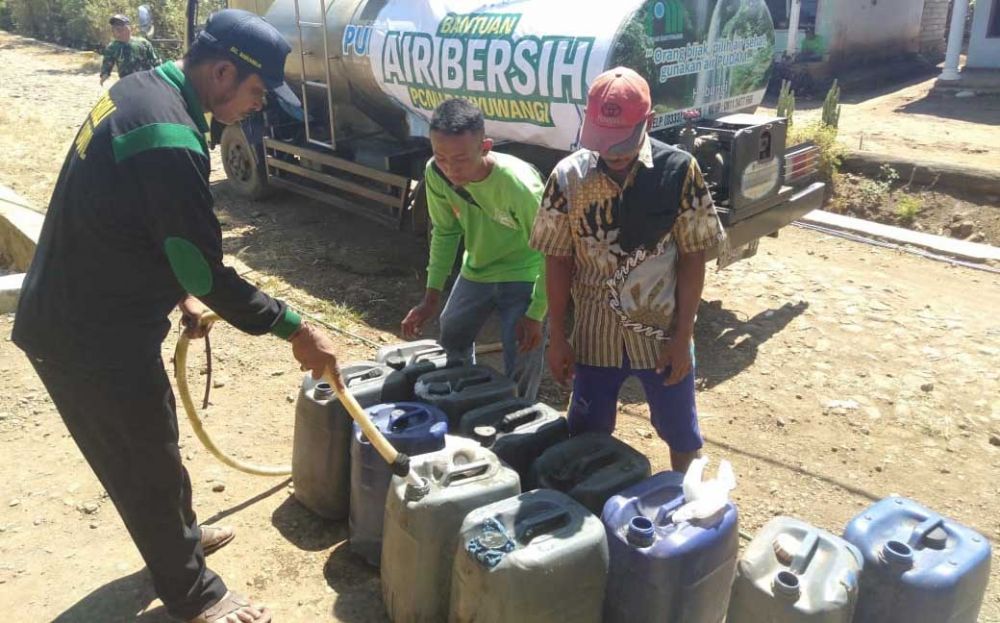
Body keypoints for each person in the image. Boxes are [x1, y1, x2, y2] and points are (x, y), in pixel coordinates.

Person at [13, 10, 332, 623]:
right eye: (257, 92)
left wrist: (176, 289)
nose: (258, 108)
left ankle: (176, 544)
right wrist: (297, 328)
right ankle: (195, 594)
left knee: (154, 446)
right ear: (221, 72)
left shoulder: (142, 91)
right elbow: (205, 271)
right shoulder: (166, 135)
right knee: (144, 462)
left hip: (94, 312)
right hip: (86, 335)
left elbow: (134, 216)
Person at [530, 67, 725, 473]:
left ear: (648, 124)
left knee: (680, 433)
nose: (611, 151)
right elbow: (557, 258)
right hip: (594, 335)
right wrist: (558, 337)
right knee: (586, 433)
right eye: (602, 140)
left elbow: (693, 257)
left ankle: (686, 507)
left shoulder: (678, 171)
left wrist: (683, 336)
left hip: (661, 335)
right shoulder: (568, 178)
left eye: (622, 141)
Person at [400, 98, 548, 401]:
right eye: (440, 156)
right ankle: (462, 396)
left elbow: (552, 252)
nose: (450, 168)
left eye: (461, 159)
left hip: (524, 272)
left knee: (522, 348)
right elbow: (445, 232)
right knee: (452, 330)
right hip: (477, 270)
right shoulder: (436, 174)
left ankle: (521, 409)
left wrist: (536, 312)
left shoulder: (519, 186)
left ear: (486, 147)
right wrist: (430, 298)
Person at [100, 14, 160, 86]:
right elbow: (107, 64)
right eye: (114, 29)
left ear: (129, 28)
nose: (118, 32)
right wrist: (104, 75)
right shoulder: (112, 47)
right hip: (127, 84)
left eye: (121, 28)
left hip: (147, 82)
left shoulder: (143, 43)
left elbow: (155, 61)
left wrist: (161, 76)